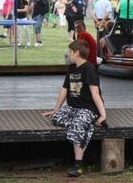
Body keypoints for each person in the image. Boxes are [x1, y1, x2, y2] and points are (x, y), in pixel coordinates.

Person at [42, 41, 107, 178]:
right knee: (56, 118)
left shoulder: (89, 68)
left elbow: (95, 93)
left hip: (88, 108)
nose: (68, 54)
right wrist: (55, 110)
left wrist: (102, 115)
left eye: (70, 52)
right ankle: (85, 124)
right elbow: (64, 90)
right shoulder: (72, 68)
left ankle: (78, 165)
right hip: (73, 107)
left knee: (78, 125)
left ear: (77, 53)